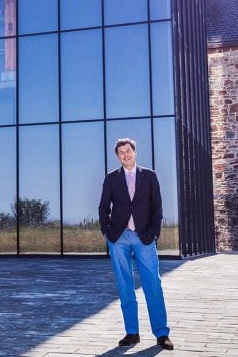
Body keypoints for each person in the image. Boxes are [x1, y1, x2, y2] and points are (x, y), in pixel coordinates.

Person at [99, 137, 173, 350]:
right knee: (125, 286)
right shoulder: (111, 178)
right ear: (118, 156)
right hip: (119, 238)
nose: (125, 154)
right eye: (121, 152)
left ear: (135, 152)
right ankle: (132, 333)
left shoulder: (149, 176)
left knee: (153, 284)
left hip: (144, 237)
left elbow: (157, 207)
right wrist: (107, 231)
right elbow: (103, 207)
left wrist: (154, 233)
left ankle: (162, 333)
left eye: (128, 150)